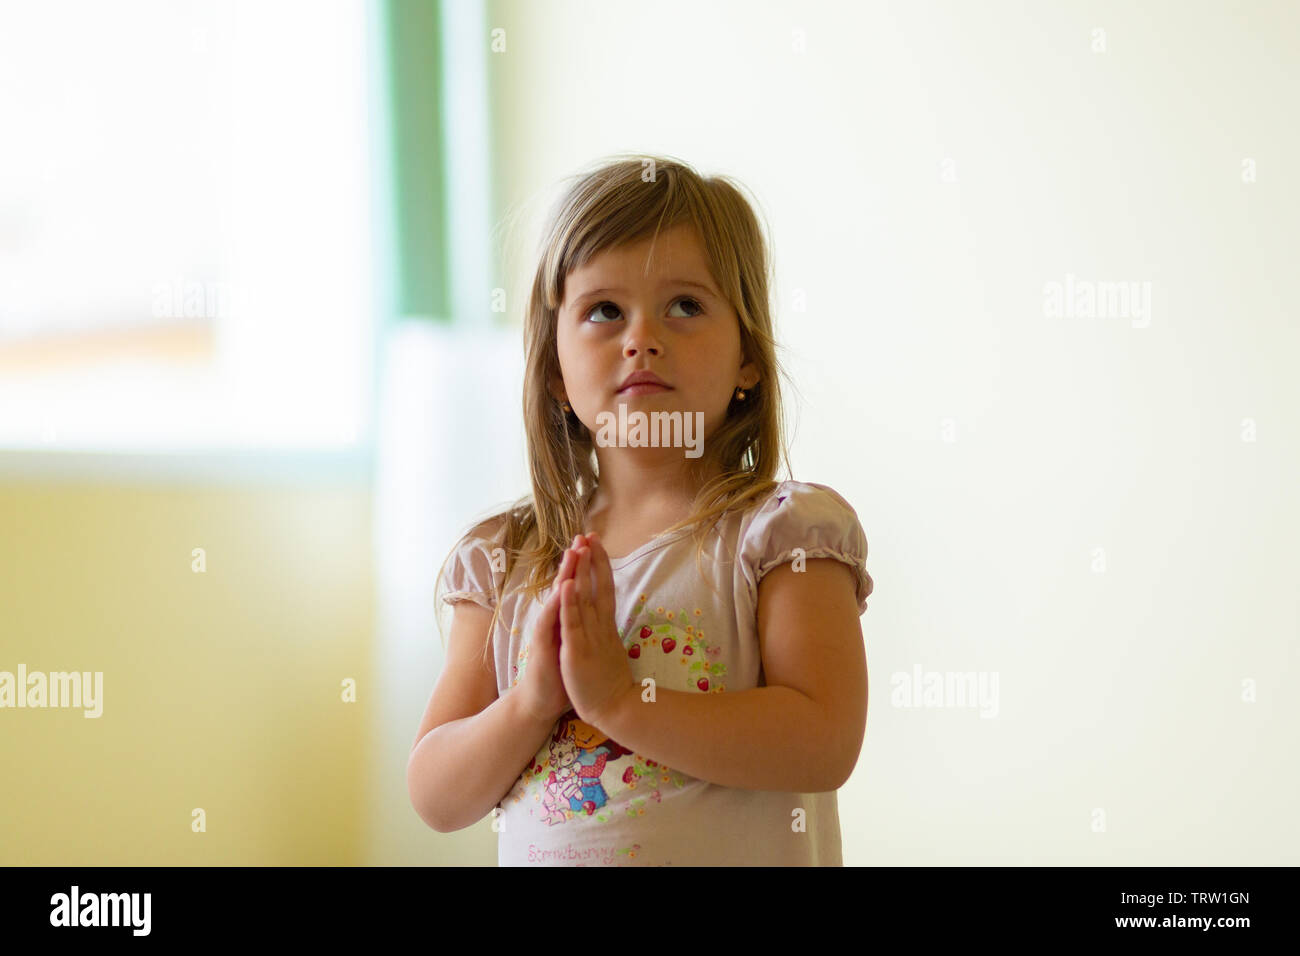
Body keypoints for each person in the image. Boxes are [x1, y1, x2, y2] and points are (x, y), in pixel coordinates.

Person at [408, 153, 874, 866]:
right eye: (604, 311)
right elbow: (437, 795)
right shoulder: (509, 560)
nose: (641, 338)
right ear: (555, 372)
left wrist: (624, 705)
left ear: (748, 357)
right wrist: (532, 702)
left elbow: (822, 741)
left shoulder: (781, 538)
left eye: (685, 305)